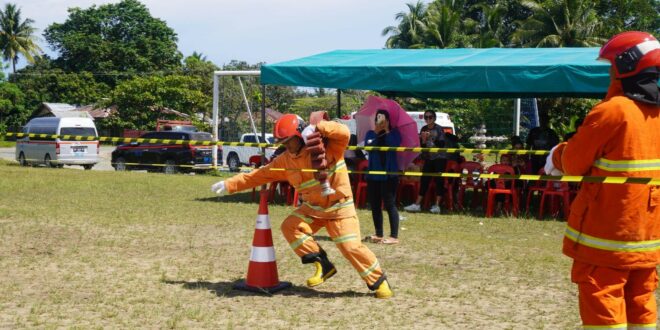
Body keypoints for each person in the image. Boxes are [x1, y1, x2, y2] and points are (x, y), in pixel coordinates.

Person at [545, 31, 660, 328]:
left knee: (602, 301)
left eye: (611, 66)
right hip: (646, 237)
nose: (609, 72)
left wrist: (556, 155)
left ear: (625, 66)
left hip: (606, 235)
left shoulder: (612, 111)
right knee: (641, 302)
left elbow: (573, 162)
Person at [211, 114, 393, 299]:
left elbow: (344, 132)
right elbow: (259, 175)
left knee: (351, 248)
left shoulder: (329, 147)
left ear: (300, 135)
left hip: (340, 209)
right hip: (313, 209)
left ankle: (379, 281)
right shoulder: (284, 161)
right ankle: (323, 265)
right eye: (283, 142)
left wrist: (319, 127)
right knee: (290, 226)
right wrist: (230, 184)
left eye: (289, 141)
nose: (286, 146)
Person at [364, 110, 401, 245]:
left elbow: (394, 144)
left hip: (389, 175)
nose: (379, 120)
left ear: (388, 120)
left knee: (390, 204)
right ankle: (378, 233)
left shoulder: (394, 133)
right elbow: (368, 146)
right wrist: (376, 131)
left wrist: (386, 129)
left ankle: (394, 236)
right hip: (373, 175)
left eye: (382, 118)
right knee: (375, 204)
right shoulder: (371, 133)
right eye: (377, 118)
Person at [404, 110, 447, 214]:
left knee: (439, 181)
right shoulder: (423, 128)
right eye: (426, 117)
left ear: (434, 118)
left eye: (430, 117)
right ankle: (417, 204)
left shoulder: (439, 129)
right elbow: (422, 146)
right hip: (428, 158)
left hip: (439, 158)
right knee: (424, 180)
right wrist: (423, 140)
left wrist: (431, 137)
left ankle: (437, 206)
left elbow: (441, 144)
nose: (428, 119)